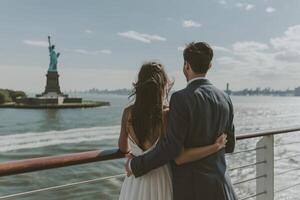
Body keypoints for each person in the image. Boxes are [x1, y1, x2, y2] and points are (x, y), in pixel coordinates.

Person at [125, 42, 237, 200]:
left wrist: (134, 165)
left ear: (186, 65)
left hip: (193, 190)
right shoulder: (225, 98)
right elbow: (230, 145)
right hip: (222, 187)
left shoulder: (180, 99)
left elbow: (172, 149)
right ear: (210, 65)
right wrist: (214, 146)